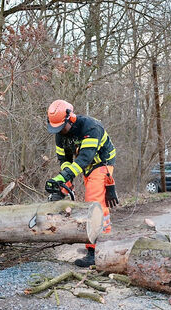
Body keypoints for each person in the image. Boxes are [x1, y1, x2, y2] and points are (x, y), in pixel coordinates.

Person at [45, 99, 118, 267]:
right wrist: (65, 180)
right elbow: (64, 159)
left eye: (61, 127)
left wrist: (64, 176)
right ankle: (96, 244)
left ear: (70, 119)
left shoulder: (91, 128)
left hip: (101, 163)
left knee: (94, 203)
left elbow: (85, 158)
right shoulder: (60, 134)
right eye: (56, 128)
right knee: (82, 194)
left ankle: (97, 250)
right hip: (85, 167)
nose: (60, 131)